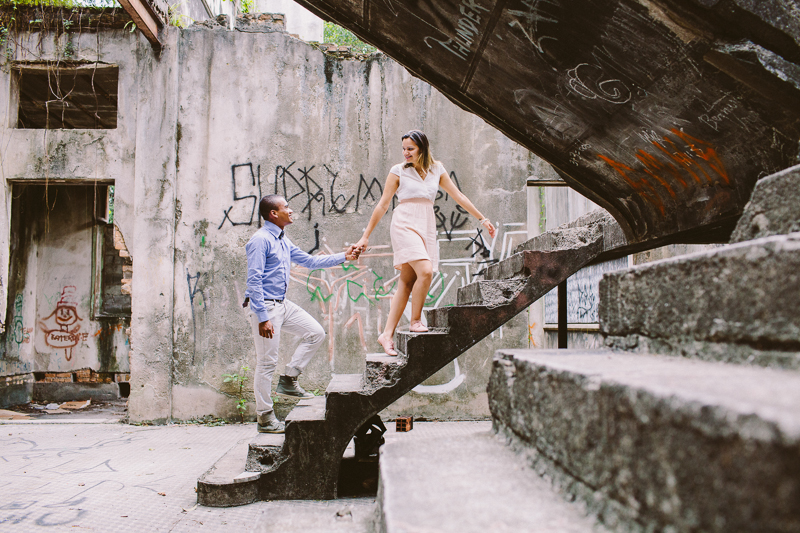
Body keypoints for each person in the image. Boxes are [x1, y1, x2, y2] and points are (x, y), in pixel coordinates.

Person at [355, 130, 496, 356]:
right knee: (426, 271)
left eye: (410, 149)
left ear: (422, 148)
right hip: (404, 224)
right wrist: (365, 236)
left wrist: (483, 219)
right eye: (404, 149)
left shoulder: (436, 169)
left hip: (426, 225)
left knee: (406, 282)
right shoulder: (398, 171)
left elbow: (459, 196)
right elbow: (383, 204)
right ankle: (415, 320)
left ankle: (386, 335)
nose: (406, 153)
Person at [245, 194, 362, 434]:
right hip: (265, 307)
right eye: (286, 207)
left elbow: (310, 262)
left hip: (281, 304)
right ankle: (265, 418)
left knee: (315, 332)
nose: (290, 210)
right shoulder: (260, 240)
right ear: (273, 214)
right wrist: (263, 318)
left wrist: (345, 256)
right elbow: (254, 280)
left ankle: (289, 380)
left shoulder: (282, 239)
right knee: (266, 363)